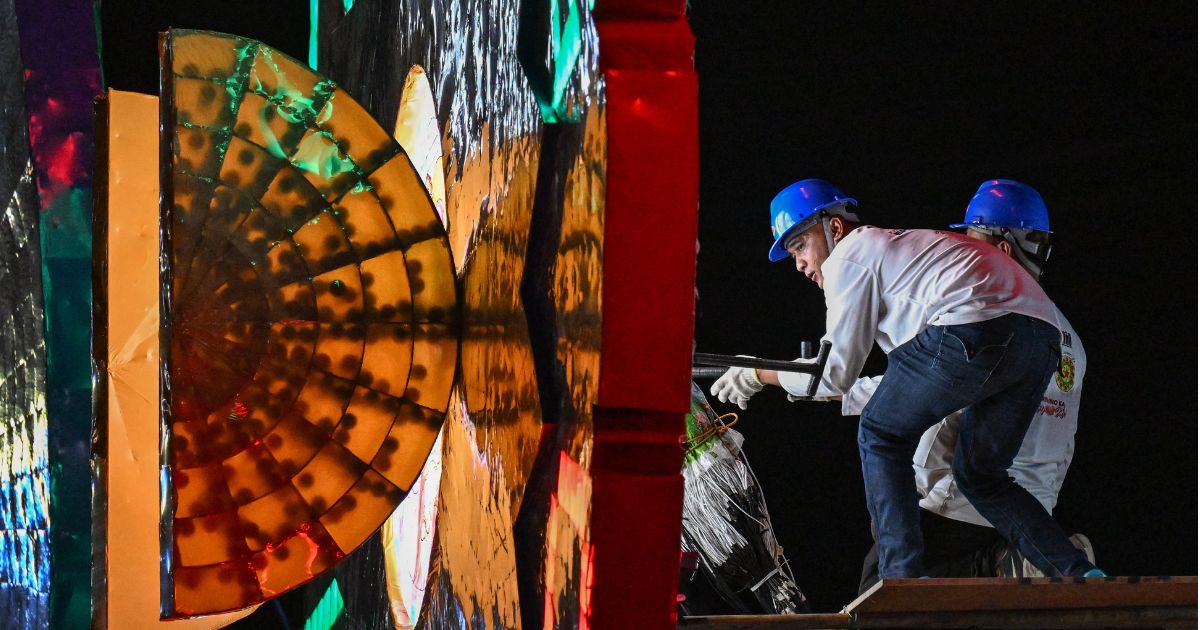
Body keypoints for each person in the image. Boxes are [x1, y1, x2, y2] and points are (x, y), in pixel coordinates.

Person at [711, 178, 1103, 580]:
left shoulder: (851, 255)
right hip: (1038, 345)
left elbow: (834, 375)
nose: (800, 264)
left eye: (800, 245)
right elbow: (913, 383)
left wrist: (762, 372)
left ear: (833, 227)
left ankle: (901, 579)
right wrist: (785, 376)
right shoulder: (1036, 314)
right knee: (982, 476)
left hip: (974, 343)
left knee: (880, 433)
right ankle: (1075, 571)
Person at [852, 179, 1091, 591]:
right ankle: (1030, 561)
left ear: (1000, 250)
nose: (960, 253)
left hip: (953, 509)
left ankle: (984, 563)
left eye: (971, 242)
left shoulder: (982, 316)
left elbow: (918, 393)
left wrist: (783, 378)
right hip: (1031, 516)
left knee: (882, 588)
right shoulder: (1063, 336)